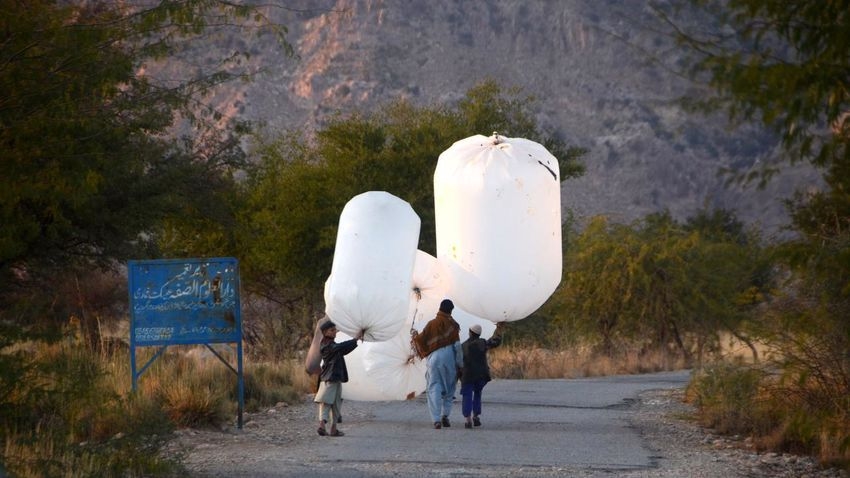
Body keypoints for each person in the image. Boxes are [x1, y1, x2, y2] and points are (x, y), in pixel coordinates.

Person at [412, 299, 462, 429]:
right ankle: (445, 416)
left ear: (439, 308)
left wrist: (414, 336)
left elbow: (420, 340)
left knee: (434, 387)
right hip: (449, 358)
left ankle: (436, 420)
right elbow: (457, 346)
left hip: (434, 358)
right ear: (451, 311)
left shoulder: (431, 324)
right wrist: (460, 364)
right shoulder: (453, 325)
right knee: (449, 387)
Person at [314, 320, 361, 437]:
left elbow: (343, 349)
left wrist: (355, 341)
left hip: (335, 378)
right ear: (325, 332)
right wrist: (355, 339)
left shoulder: (331, 344)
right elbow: (340, 347)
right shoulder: (326, 344)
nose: (335, 332)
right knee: (326, 402)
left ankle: (333, 429)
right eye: (332, 330)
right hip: (329, 378)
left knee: (336, 403)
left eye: (335, 330)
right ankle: (322, 426)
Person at [460, 322, 502, 429]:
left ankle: (468, 419)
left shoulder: (463, 346)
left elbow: (458, 361)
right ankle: (476, 416)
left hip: (468, 375)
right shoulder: (483, 343)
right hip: (481, 375)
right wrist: (499, 330)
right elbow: (495, 342)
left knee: (467, 395)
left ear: (470, 333)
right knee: (478, 393)